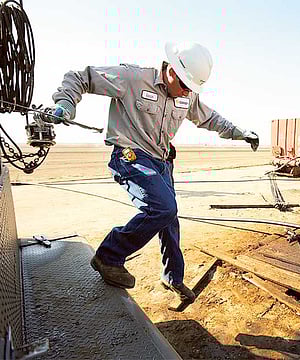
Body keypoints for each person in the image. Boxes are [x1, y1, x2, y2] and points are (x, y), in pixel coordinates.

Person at [49, 41, 259, 303]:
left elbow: (210, 118)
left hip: (161, 162)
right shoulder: (133, 78)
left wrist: (241, 133)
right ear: (172, 68)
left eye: (191, 88)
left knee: (169, 219)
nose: (185, 92)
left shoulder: (187, 94)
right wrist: (66, 103)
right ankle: (109, 256)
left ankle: (173, 277)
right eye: (183, 84)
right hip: (131, 156)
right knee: (163, 208)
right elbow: (81, 77)